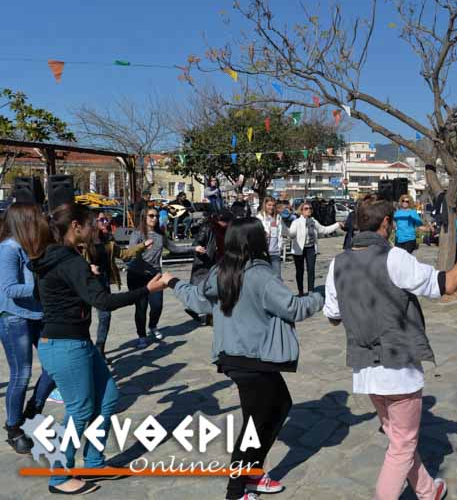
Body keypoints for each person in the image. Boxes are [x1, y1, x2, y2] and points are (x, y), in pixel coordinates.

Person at [323, 198, 457, 500]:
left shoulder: (337, 263)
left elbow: (333, 317)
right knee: (401, 447)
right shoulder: (395, 258)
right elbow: (448, 284)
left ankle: (427, 491)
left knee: (399, 439)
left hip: (365, 368)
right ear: (386, 223)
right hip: (398, 367)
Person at [162, 218, 324, 500]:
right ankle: (235, 491)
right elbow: (293, 308)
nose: (267, 236)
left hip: (236, 359)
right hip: (253, 360)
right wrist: (321, 295)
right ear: (255, 240)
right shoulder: (260, 275)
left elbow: (198, 300)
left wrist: (172, 282)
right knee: (255, 426)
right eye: (262, 233)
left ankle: (253, 473)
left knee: (280, 405)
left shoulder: (221, 271)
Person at [29, 203, 166, 495]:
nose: (95, 229)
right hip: (65, 345)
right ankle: (59, 476)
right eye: (91, 224)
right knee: (80, 410)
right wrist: (147, 290)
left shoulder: (55, 257)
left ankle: (93, 462)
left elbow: (46, 292)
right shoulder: (69, 261)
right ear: (76, 226)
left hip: (76, 343)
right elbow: (103, 301)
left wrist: (80, 281)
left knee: (108, 398)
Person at [0, 203, 56, 454]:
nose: (41, 221)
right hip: (14, 317)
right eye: (36, 218)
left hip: (38, 314)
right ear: (24, 221)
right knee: (21, 374)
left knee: (54, 366)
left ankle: (33, 410)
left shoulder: (33, 247)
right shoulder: (8, 249)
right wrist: (40, 286)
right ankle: (13, 427)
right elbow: (9, 289)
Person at [127, 208, 205, 347]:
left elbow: (175, 249)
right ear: (144, 217)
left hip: (156, 275)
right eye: (151, 216)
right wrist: (142, 246)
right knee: (141, 307)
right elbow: (131, 251)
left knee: (157, 305)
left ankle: (153, 326)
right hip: (137, 275)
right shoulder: (137, 234)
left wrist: (194, 248)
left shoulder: (160, 234)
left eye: (156, 216)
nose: (155, 218)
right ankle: (141, 336)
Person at [89, 211, 152, 361]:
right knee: (85, 317)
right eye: (102, 220)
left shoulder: (108, 242)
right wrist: (87, 267)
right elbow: (73, 259)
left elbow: (124, 254)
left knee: (105, 315)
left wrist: (143, 245)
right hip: (86, 282)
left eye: (106, 220)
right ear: (93, 222)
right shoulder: (83, 243)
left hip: (102, 282)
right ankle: (86, 350)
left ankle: (100, 349)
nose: (106, 222)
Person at [185, 211, 232, 325]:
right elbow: (197, 243)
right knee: (203, 289)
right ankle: (194, 309)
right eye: (227, 222)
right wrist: (200, 249)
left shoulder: (225, 230)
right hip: (205, 261)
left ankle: (210, 317)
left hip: (218, 262)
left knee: (214, 289)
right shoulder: (208, 228)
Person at [288, 202, 341, 296]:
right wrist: (290, 233)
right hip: (299, 250)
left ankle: (311, 291)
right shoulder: (296, 222)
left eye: (310, 208)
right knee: (299, 271)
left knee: (311, 270)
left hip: (311, 248)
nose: (308, 210)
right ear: (301, 211)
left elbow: (324, 230)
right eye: (306, 208)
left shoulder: (314, 221)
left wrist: (337, 225)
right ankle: (300, 291)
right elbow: (291, 233)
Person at [258, 197, 286, 277]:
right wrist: (265, 234)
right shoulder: (260, 218)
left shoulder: (278, 217)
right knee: (265, 277)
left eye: (273, 205)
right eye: (269, 205)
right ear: (265, 205)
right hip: (264, 252)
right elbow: (256, 234)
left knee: (277, 277)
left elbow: (283, 231)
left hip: (275, 252)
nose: (271, 207)